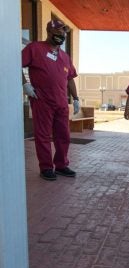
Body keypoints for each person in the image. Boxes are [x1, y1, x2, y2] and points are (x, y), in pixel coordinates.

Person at [22, 19, 80, 181]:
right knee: (43, 136)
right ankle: (46, 167)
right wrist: (25, 84)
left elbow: (70, 79)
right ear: (50, 32)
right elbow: (14, 64)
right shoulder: (34, 48)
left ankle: (61, 165)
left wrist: (75, 98)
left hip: (61, 103)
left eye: (64, 33)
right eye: (58, 33)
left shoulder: (64, 56)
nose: (62, 36)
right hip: (42, 101)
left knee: (64, 136)